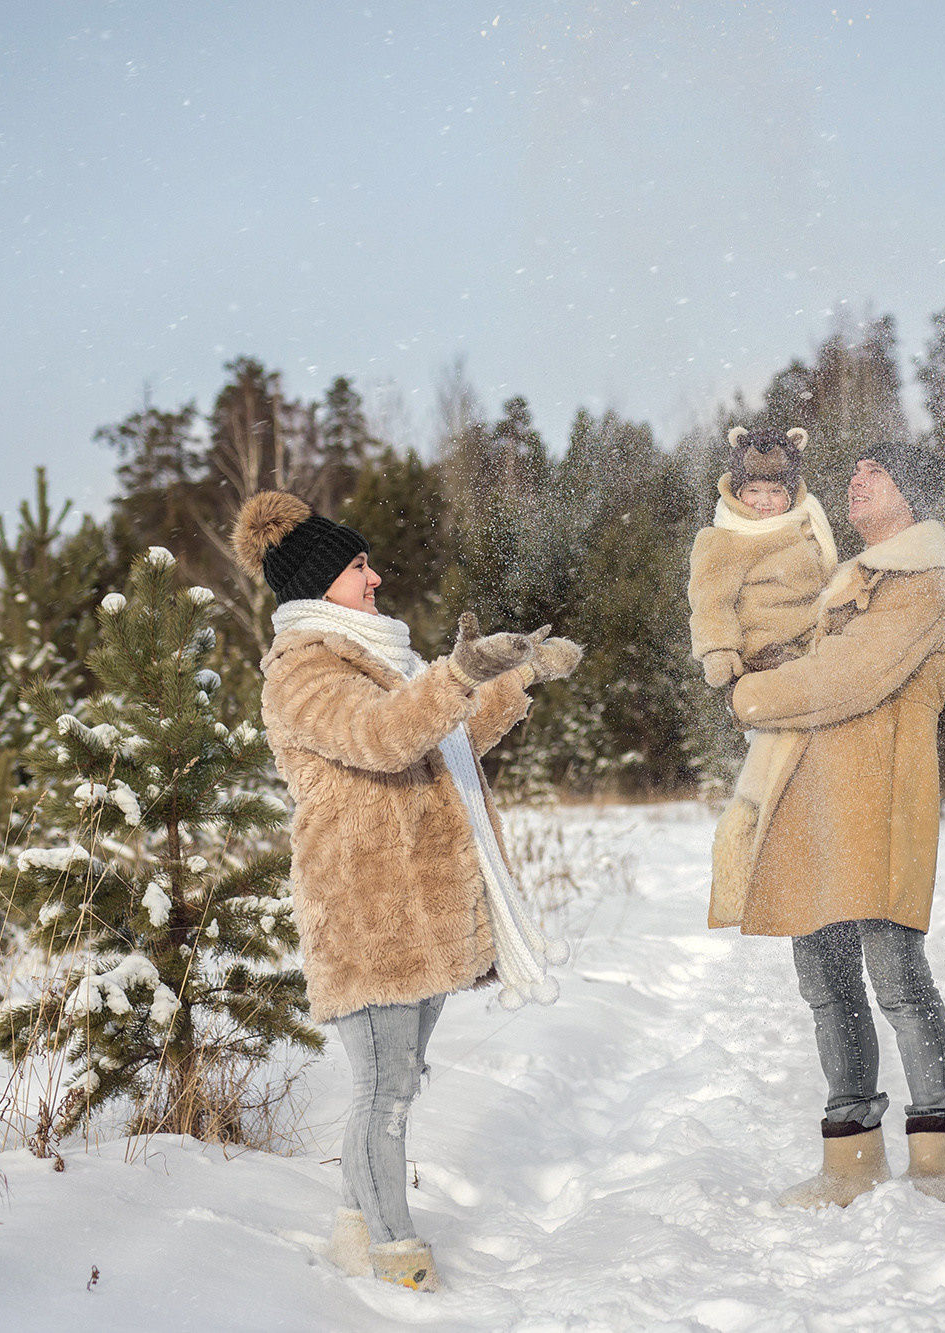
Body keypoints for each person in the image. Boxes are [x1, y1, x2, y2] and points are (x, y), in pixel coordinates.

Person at [235, 490, 583, 1291]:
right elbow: (384, 737)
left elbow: (440, 737)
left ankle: (355, 1237)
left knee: (396, 1083)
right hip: (367, 909)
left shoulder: (373, 659)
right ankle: (397, 1258)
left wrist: (512, 673)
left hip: (414, 907)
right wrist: (458, 670)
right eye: (359, 567)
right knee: (385, 1092)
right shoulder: (304, 671)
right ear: (319, 584)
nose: (377, 576)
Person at [715, 442, 945, 1209]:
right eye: (853, 473)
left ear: (912, 495)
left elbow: (852, 675)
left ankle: (935, 1161)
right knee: (826, 981)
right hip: (813, 804)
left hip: (882, 802)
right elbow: (792, 651)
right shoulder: (843, 579)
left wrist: (753, 697)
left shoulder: (922, 580)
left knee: (896, 978)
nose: (856, 482)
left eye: (877, 474)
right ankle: (850, 1159)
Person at [687, 425, 838, 686]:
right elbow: (711, 602)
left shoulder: (806, 525)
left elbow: (826, 579)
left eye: (776, 491)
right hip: (763, 653)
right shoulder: (725, 539)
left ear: (790, 496)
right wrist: (718, 650)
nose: (764, 501)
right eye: (753, 491)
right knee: (784, 713)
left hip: (815, 643)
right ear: (738, 493)